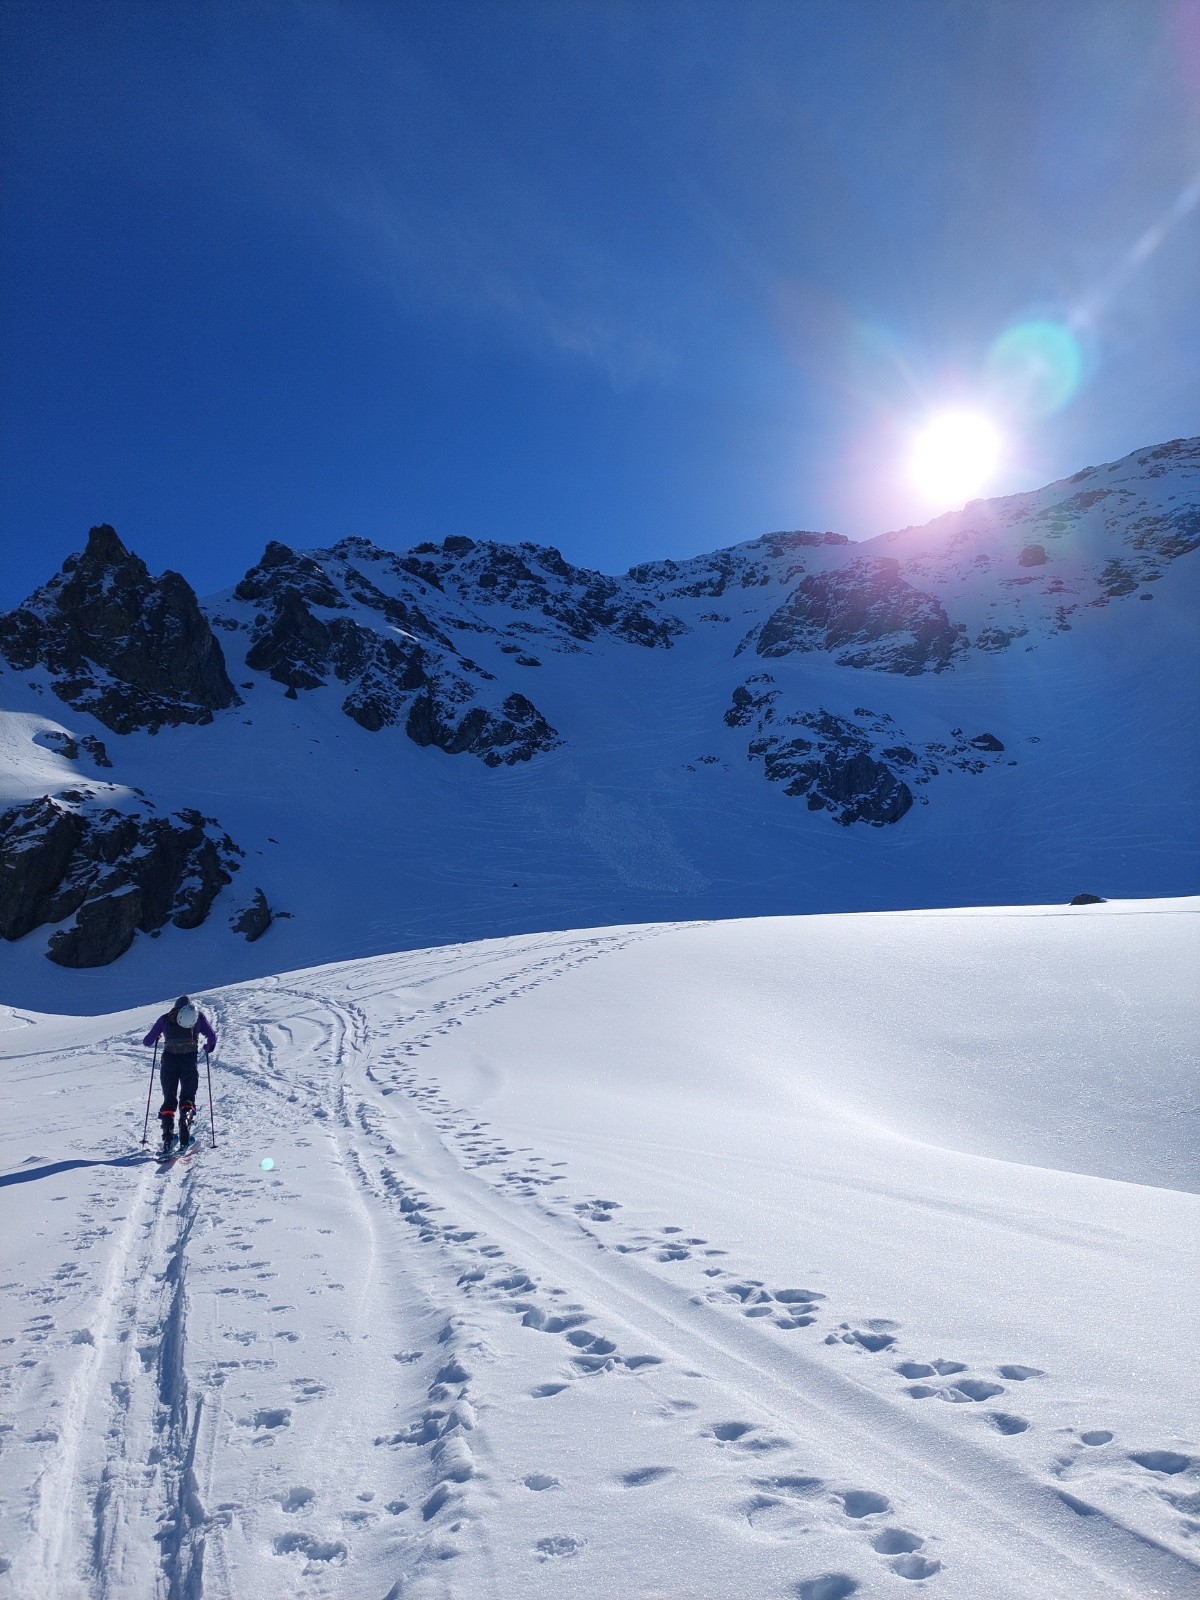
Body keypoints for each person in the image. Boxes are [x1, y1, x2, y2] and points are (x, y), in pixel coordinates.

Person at [143, 995, 217, 1149]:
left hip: (169, 1061)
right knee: (187, 1097)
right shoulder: (198, 1017)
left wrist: (157, 1036)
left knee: (169, 1098)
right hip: (189, 1061)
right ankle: (185, 1134)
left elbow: (147, 1041)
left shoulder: (165, 1018)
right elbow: (212, 1037)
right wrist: (208, 1047)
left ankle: (168, 1139)